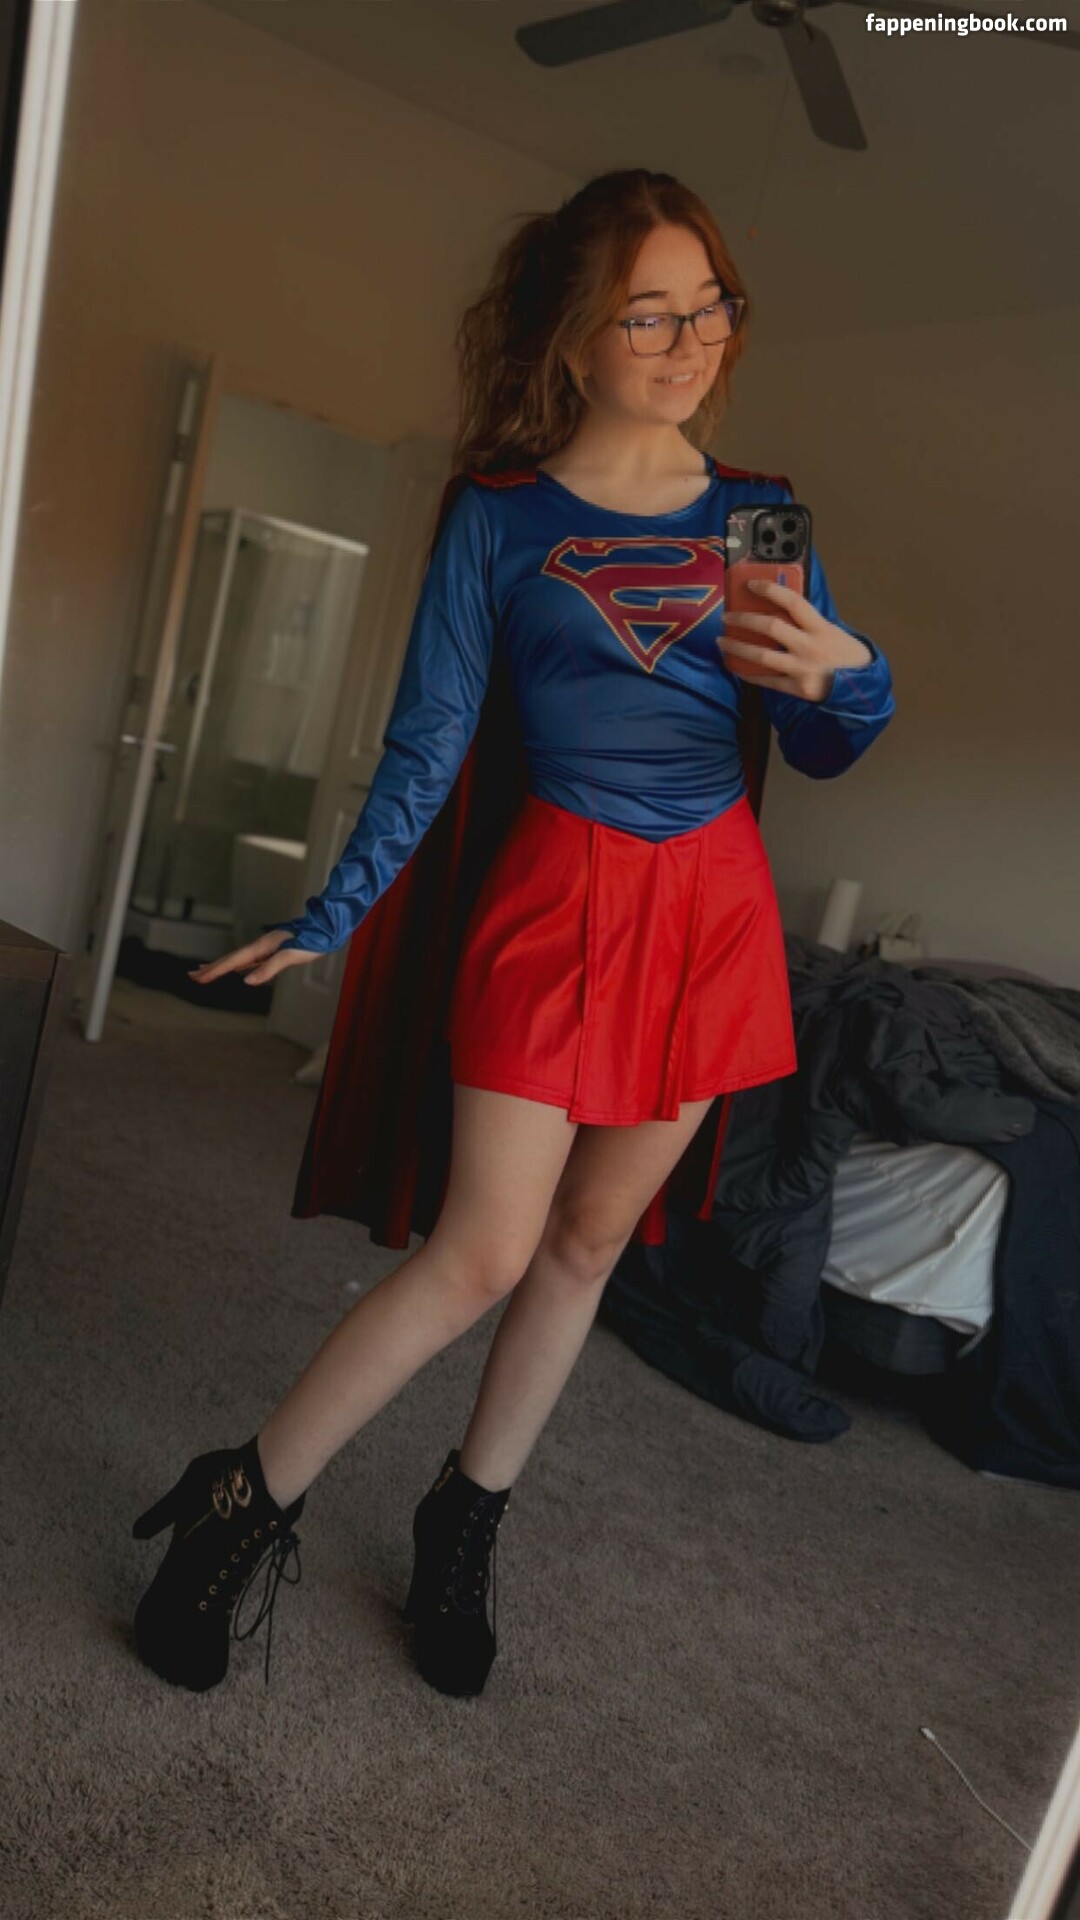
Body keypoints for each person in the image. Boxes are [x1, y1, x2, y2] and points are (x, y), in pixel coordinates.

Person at [130, 169, 895, 1702]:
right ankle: (243, 1500)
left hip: (712, 908)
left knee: (589, 1242)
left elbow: (817, 747)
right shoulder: (498, 515)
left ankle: (464, 1521)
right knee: (481, 1250)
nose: (691, 342)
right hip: (557, 898)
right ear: (574, 333)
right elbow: (428, 745)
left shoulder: (761, 513)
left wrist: (851, 676)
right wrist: (334, 910)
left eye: (711, 307)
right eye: (648, 314)